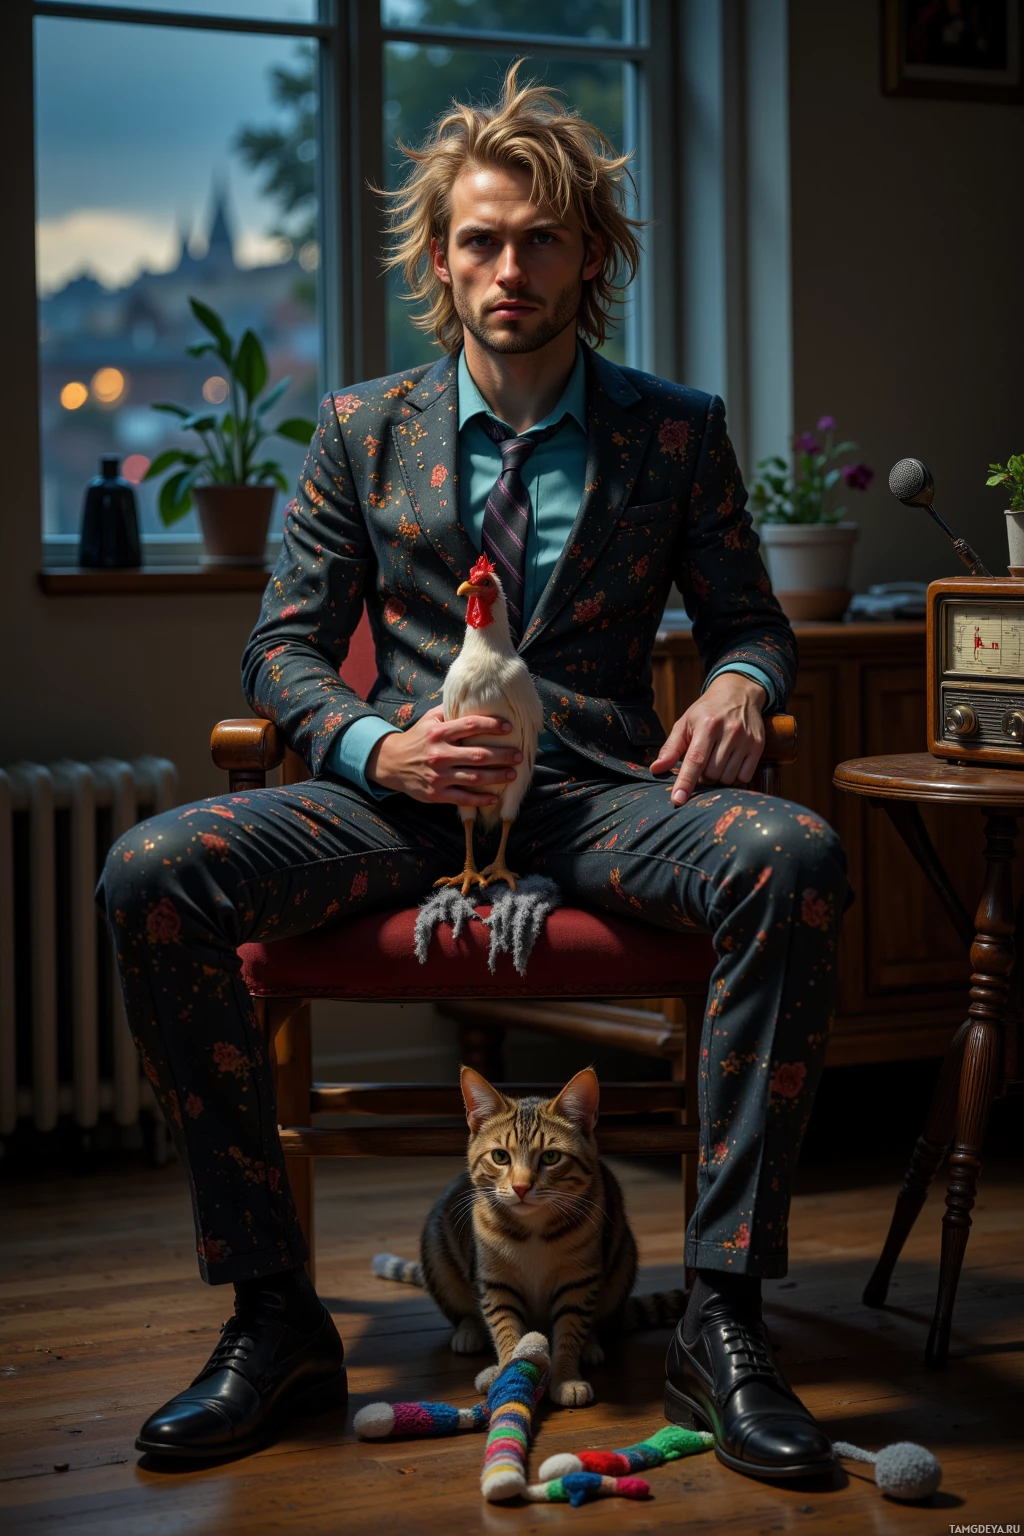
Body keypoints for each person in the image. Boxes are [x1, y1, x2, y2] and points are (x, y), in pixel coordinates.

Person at [99, 64, 849, 1479]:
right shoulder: (358, 431)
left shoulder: (675, 430)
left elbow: (749, 621)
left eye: (542, 237)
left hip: (600, 799)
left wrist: (747, 681)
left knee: (794, 856)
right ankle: (274, 1319)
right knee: (147, 874)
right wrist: (382, 741)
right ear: (441, 259)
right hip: (392, 803)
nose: (511, 266)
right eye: (482, 240)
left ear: (590, 253)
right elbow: (282, 654)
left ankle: (723, 1315)